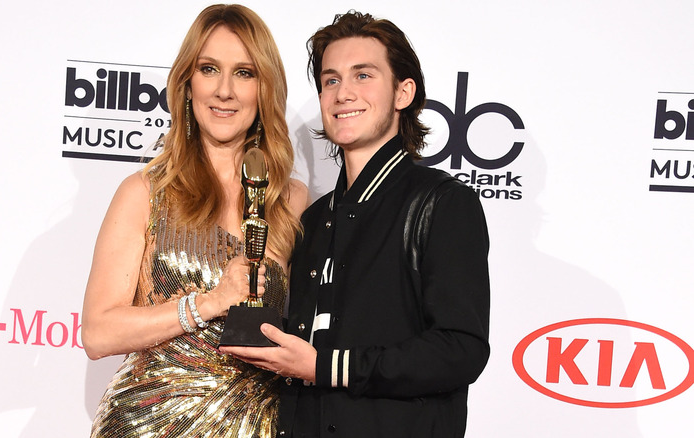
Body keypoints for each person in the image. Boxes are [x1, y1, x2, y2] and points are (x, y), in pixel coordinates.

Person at [221, 11, 490, 437]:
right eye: (331, 80)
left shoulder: (442, 202)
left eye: (363, 76)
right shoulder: (312, 218)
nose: (343, 93)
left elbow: (461, 350)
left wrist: (326, 366)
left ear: (403, 93)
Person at [81, 4, 308, 437]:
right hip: (147, 425)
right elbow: (97, 332)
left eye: (244, 73)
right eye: (209, 69)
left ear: (265, 89)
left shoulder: (290, 201)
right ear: (187, 83)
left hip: (255, 426)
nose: (225, 90)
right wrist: (207, 302)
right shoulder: (145, 192)